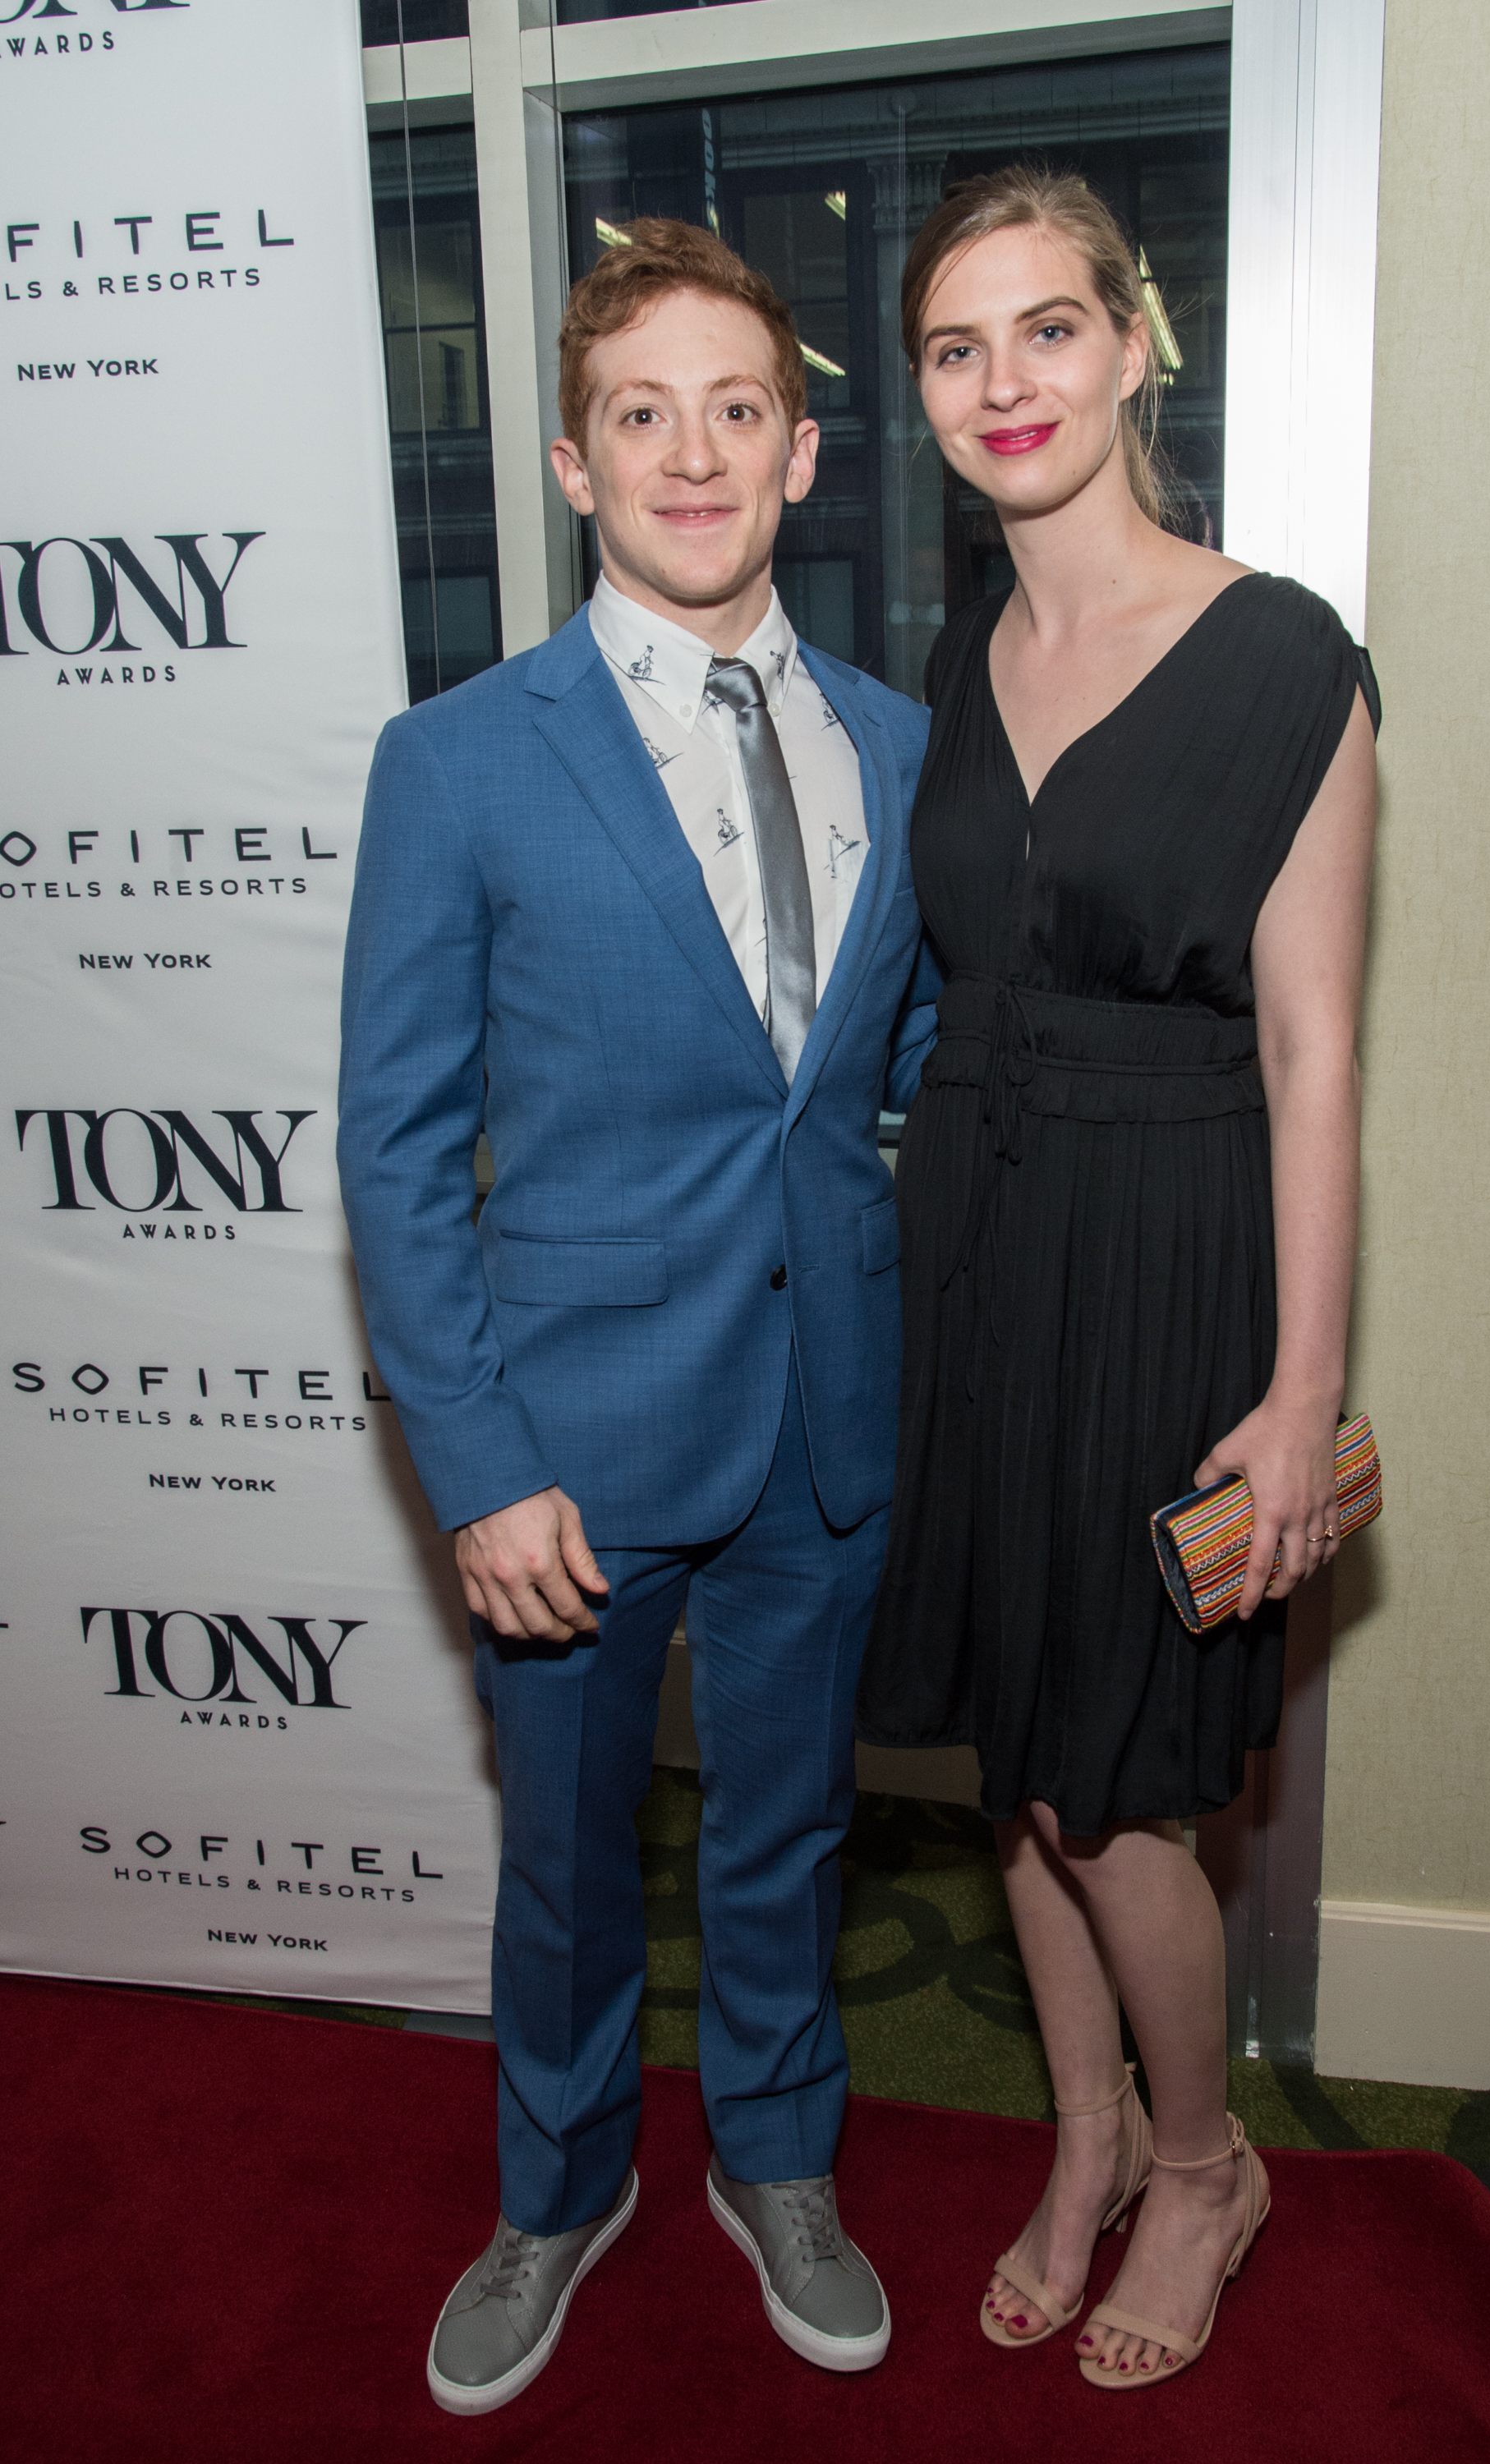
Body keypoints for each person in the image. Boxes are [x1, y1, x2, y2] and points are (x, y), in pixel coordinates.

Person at [338, 218, 939, 2413]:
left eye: (737, 408)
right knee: (575, 1869)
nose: (693, 451)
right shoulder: (462, 756)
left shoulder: (899, 735)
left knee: (786, 1830)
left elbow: (892, 1067)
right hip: (569, 1450)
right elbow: (395, 1154)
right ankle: (559, 2187)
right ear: (578, 467)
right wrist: (476, 1465)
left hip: (823, 1421)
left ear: (799, 453)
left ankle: (776, 2156)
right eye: (640, 413)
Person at [855, 167, 1377, 2391]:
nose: (1005, 386)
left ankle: (1202, 2163)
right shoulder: (961, 659)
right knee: (1017, 1764)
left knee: (1120, 1788)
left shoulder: (1282, 658)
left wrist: (1296, 1392)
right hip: (974, 1249)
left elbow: (1316, 1053)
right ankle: (1079, 2144)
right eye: (957, 351)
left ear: (1136, 339)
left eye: (1045, 331)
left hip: (1170, 1261)